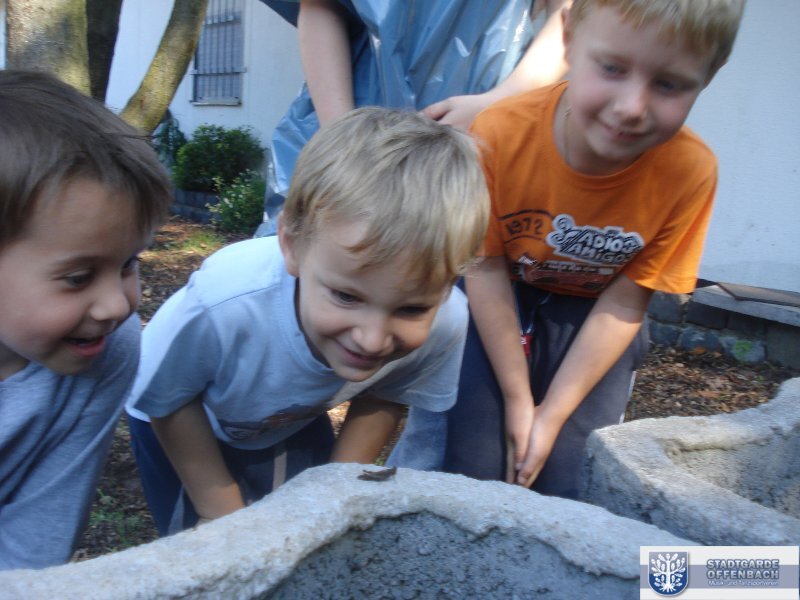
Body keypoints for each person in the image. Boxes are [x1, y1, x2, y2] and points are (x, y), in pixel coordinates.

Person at [126, 107, 489, 535]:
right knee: (207, 542)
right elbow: (169, 400)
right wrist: (223, 518)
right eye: (346, 296)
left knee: (297, 531)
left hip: (288, 415)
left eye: (410, 309)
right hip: (182, 412)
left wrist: (332, 496)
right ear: (292, 245)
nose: (373, 341)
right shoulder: (226, 304)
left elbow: (388, 392)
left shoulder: (446, 319)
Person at [443, 0, 746, 499]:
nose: (631, 107)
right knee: (475, 463)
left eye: (669, 84)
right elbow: (485, 269)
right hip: (499, 292)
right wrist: (519, 400)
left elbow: (626, 301)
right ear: (568, 38)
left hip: (595, 313)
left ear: (710, 74)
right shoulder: (498, 134)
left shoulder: (690, 173)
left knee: (570, 473)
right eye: (612, 68)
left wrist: (550, 415)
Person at [0, 70, 172, 569]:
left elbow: (33, 549)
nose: (116, 306)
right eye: (78, 277)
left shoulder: (106, 345)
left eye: (128, 263)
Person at [257, 0, 568, 235]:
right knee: (328, 262)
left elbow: (569, 14)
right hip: (350, 123)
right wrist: (342, 135)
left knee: (463, 272)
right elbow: (320, 6)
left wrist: (498, 103)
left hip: (483, 131)